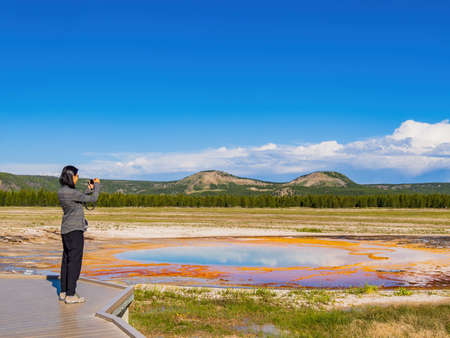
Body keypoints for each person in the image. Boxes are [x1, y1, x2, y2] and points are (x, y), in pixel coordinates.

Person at [57, 165, 101, 304]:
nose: (77, 178)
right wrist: (97, 186)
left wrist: (88, 189)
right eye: (76, 175)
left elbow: (79, 198)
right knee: (75, 262)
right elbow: (92, 199)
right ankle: (71, 295)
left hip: (65, 230)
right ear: (71, 176)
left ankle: (64, 292)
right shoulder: (71, 192)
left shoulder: (63, 191)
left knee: (66, 261)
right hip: (75, 230)